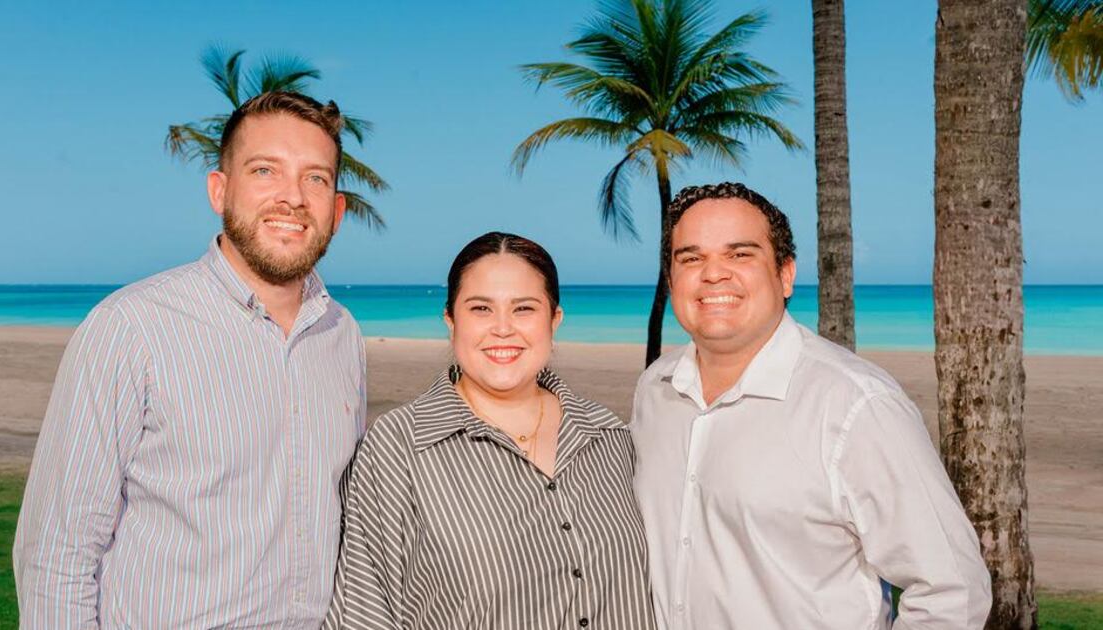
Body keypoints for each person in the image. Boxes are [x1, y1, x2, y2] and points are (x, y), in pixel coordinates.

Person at [13, 91, 366, 628]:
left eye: (315, 178)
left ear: (336, 211)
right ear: (219, 190)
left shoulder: (343, 336)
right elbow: (56, 554)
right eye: (265, 171)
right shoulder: (130, 328)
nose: (293, 197)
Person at [630, 182, 992, 629]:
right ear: (671, 282)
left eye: (740, 254)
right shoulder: (656, 390)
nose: (714, 274)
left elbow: (952, 591)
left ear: (785, 275)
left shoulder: (856, 405)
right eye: (691, 258)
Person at [323, 232, 656, 629]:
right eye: (481, 308)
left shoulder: (610, 436)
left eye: (524, 308)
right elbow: (364, 610)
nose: (502, 328)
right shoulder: (399, 445)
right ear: (451, 321)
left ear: (554, 320)